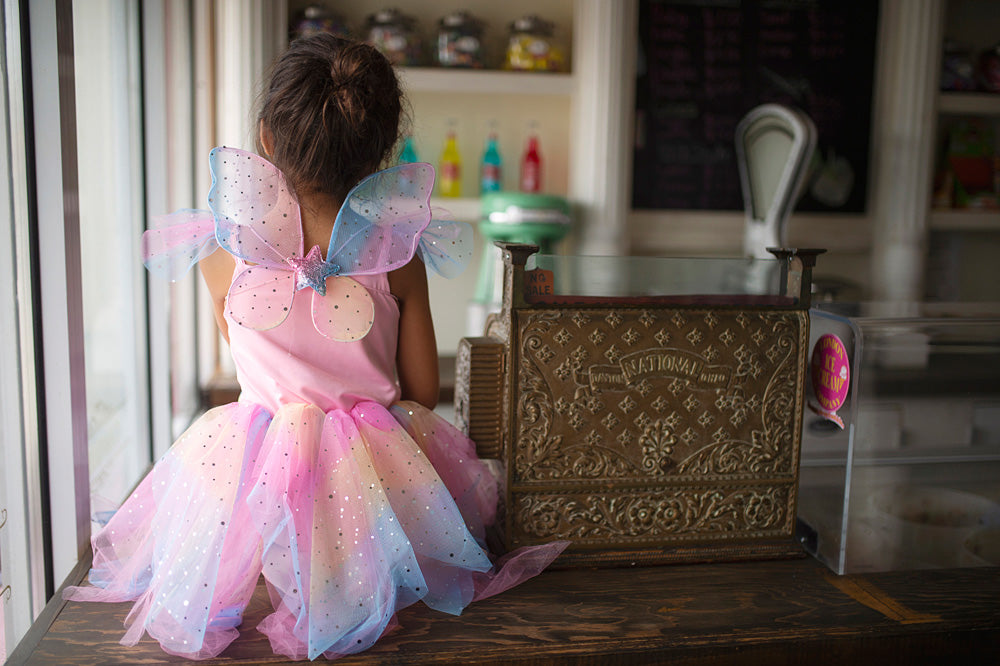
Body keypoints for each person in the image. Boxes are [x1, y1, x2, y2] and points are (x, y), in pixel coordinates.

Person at [64, 34, 566, 661]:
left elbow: (246, 350)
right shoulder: (396, 254)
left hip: (253, 473)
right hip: (378, 487)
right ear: (384, 150)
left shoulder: (223, 250)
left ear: (265, 140)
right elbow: (421, 392)